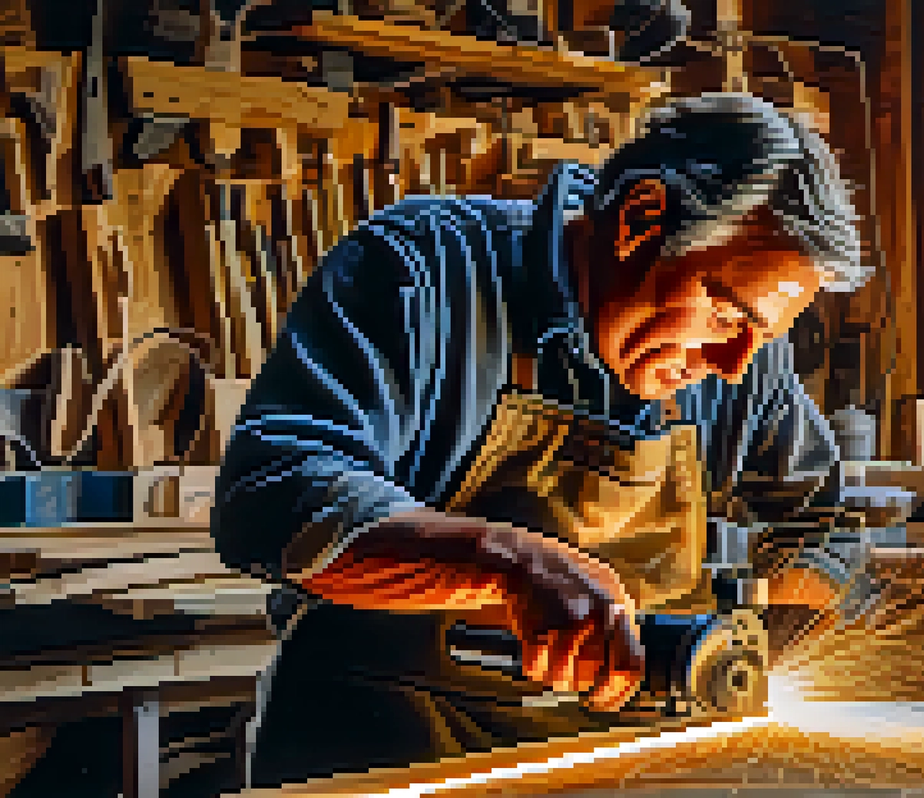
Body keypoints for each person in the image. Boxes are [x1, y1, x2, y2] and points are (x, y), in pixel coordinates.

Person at [211, 92, 868, 787]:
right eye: (725, 314)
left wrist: (783, 646)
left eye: (760, 335)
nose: (734, 364)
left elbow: (820, 527)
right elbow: (274, 490)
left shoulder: (744, 364)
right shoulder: (423, 272)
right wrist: (507, 564)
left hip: (614, 768)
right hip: (384, 756)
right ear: (641, 221)